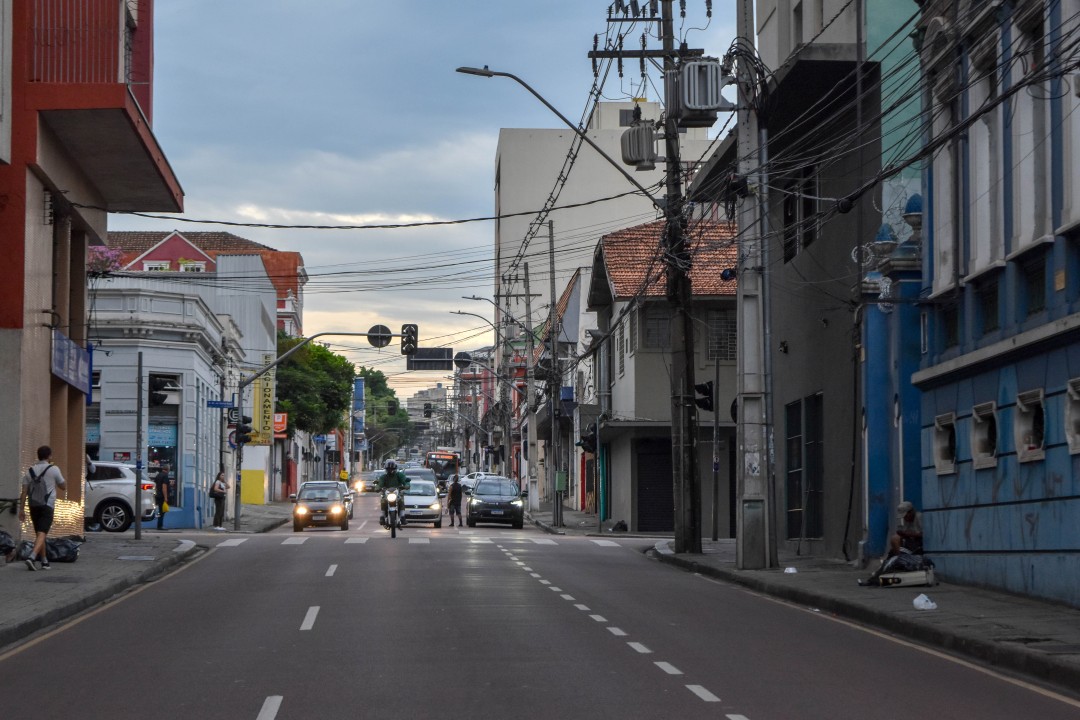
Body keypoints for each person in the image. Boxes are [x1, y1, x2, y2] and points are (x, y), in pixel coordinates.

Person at [18, 445, 67, 571]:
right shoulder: (54, 469)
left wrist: (21, 509)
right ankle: (32, 557)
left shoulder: (29, 471)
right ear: (49, 456)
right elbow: (63, 486)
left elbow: (24, 492)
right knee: (43, 532)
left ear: (38, 456)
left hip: (33, 505)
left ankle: (44, 561)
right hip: (47, 505)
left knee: (40, 533)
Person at [374, 459, 409, 527]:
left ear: (395, 469)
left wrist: (406, 485)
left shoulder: (399, 475)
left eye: (392, 469)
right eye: (389, 469)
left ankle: (402, 516)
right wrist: (377, 488)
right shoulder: (383, 477)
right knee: (383, 501)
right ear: (386, 469)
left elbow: (405, 481)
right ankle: (382, 516)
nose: (390, 471)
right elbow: (380, 484)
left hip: (397, 492)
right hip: (387, 493)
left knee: (401, 501)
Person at [154, 463, 170, 530]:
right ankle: (160, 525)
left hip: (158, 495)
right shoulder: (165, 476)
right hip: (162, 496)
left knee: (160, 511)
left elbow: (155, 485)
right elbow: (164, 487)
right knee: (162, 511)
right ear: (168, 469)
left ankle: (159, 524)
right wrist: (165, 497)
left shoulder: (158, 475)